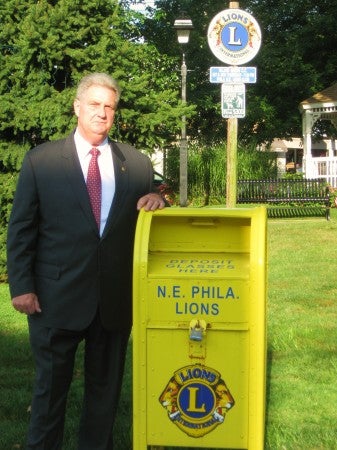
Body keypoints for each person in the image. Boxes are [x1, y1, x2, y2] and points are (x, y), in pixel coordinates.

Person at [6, 72, 166, 450]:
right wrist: (22, 287)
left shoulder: (138, 164)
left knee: (104, 396)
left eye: (109, 107)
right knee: (48, 395)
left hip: (112, 302)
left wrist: (159, 200)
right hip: (53, 299)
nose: (102, 113)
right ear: (77, 107)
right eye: (94, 104)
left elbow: (153, 208)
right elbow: (22, 229)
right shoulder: (41, 161)